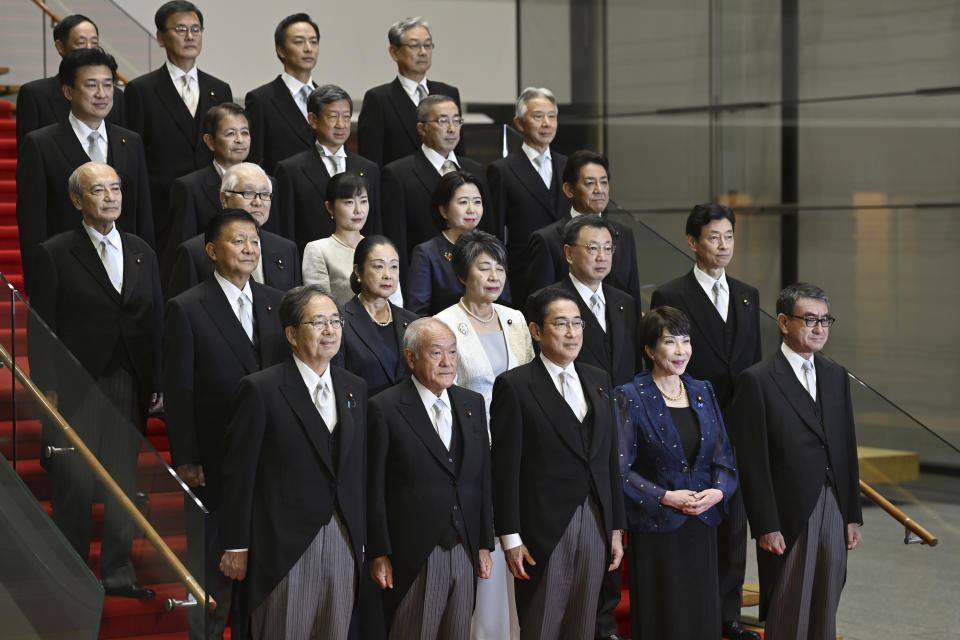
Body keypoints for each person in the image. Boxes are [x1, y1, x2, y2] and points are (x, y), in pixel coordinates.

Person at [29, 162, 163, 600]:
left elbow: (154, 318)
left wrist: (155, 376)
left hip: (129, 379)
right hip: (76, 383)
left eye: (116, 188)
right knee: (74, 483)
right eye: (98, 190)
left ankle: (119, 572)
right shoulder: (55, 252)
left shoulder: (142, 249)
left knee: (124, 482)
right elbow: (41, 326)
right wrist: (46, 387)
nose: (110, 197)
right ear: (76, 199)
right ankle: (73, 574)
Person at [164, 208, 289, 639]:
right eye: (238, 241)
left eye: (254, 241)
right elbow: (179, 391)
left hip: (271, 459)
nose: (249, 249)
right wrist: (186, 457)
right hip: (215, 459)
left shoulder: (278, 302)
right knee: (213, 574)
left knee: (263, 576)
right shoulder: (187, 307)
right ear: (212, 250)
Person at [219, 285, 367, 640]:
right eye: (319, 322)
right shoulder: (261, 389)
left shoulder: (354, 388)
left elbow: (357, 472)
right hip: (283, 545)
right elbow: (239, 475)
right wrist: (236, 544)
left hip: (344, 539)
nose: (330, 331)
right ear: (291, 334)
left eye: (336, 321)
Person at [650, 203, 763, 640]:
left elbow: (749, 362)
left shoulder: (748, 294)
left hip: (739, 426)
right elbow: (672, 363)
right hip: (694, 423)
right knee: (700, 523)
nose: (723, 245)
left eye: (729, 237)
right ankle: (696, 611)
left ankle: (729, 615)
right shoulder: (672, 295)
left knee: (735, 523)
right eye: (713, 237)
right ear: (692, 242)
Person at [490, 287, 625, 639]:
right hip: (543, 529)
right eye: (560, 324)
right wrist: (510, 537)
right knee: (542, 625)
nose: (571, 333)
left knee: (584, 626)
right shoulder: (515, 386)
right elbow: (504, 469)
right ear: (536, 331)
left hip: (596, 520)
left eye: (577, 324)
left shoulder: (598, 380)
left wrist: (615, 528)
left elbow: (610, 459)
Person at [730, 283, 862, 640]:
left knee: (826, 600)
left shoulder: (836, 375)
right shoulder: (757, 380)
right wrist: (765, 524)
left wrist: (852, 514)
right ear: (784, 322)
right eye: (810, 320)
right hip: (787, 514)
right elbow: (752, 461)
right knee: (789, 606)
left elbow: (846, 447)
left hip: (833, 505)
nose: (820, 329)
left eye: (825, 320)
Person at [530, 213, 641, 640]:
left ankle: (605, 620)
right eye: (591, 248)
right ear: (568, 253)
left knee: (611, 523)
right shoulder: (550, 300)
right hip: (574, 422)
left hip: (621, 424)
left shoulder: (624, 301)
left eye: (608, 248)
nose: (601, 256)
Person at [367, 318, 494, 639]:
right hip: (412, 553)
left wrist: (483, 543)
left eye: (452, 352)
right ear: (411, 358)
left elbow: (481, 478)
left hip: (464, 546)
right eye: (436, 353)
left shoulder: (471, 403)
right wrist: (379, 552)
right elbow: (373, 487)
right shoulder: (384, 407)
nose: (447, 362)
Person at [616, 306, 738, 639]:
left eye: (686, 341)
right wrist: (665, 496)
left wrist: (718, 491)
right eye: (670, 342)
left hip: (702, 522)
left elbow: (724, 457)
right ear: (650, 350)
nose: (681, 351)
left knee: (701, 617)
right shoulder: (630, 396)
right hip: (658, 527)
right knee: (663, 620)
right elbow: (620, 468)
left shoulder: (703, 391)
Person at [434, 229, 533, 640]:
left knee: (514, 536)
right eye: (483, 267)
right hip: (470, 450)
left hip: (518, 449)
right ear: (462, 274)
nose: (495, 276)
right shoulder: (444, 323)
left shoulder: (515, 320)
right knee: (484, 550)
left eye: (500, 268)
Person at [17, 47, 153, 295]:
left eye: (108, 85)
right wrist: (38, 282)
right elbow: (32, 222)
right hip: (67, 275)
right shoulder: (41, 144)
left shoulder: (130, 142)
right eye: (92, 85)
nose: (102, 94)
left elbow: (142, 214)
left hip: (125, 275)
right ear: (68, 91)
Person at [125, 0, 233, 261]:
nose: (190, 36)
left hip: (212, 204)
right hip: (164, 209)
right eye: (181, 29)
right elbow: (133, 158)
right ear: (161, 37)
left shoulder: (219, 89)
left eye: (196, 30)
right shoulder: (141, 90)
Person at [525, 151, 640, 312]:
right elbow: (540, 304)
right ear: (568, 189)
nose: (599, 190)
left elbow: (633, 297)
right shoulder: (547, 239)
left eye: (604, 182)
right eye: (590, 183)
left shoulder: (624, 234)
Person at [166, 162, 300, 298]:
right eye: (248, 193)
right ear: (224, 198)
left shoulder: (286, 249)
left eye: (265, 194)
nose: (258, 202)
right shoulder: (194, 252)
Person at [487, 87, 570, 304]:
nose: (547, 123)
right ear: (519, 123)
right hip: (525, 275)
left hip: (569, 272)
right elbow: (494, 232)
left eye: (552, 116)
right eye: (538, 116)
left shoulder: (569, 165)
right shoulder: (502, 170)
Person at [275, 84, 381, 251]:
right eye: (333, 117)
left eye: (346, 117)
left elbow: (375, 229)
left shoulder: (368, 169)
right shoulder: (291, 170)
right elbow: (287, 230)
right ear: (313, 120)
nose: (341, 124)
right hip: (310, 263)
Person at [358, 16, 463, 166]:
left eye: (427, 45)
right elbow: (371, 161)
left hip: (444, 184)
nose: (423, 52)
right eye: (414, 46)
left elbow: (458, 154)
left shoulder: (448, 93)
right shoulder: (378, 99)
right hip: (399, 186)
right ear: (394, 52)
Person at [406, 171, 509, 316]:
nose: (472, 210)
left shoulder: (493, 246)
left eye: (477, 202)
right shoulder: (427, 253)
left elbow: (504, 303)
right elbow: (417, 313)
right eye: (463, 202)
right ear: (443, 210)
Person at [16, 14, 126, 145]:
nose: (89, 49)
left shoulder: (115, 96)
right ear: (60, 47)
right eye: (81, 43)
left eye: (94, 43)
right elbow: (29, 151)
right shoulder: (35, 94)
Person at [302, 172, 402, 308]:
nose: (358, 210)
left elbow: (396, 302)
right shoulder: (318, 249)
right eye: (349, 202)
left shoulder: (380, 248)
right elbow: (320, 306)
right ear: (330, 207)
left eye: (363, 201)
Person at [245, 13, 320, 174]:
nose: (308, 48)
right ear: (281, 50)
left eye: (313, 42)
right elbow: (254, 161)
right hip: (281, 193)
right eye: (299, 42)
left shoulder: (327, 99)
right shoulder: (261, 100)